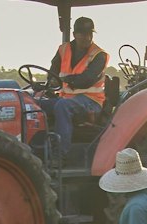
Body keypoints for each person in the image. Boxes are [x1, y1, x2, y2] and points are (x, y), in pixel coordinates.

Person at [40, 16, 108, 153]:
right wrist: (50, 83)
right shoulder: (63, 50)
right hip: (67, 98)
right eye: (83, 34)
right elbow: (53, 72)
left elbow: (86, 80)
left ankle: (60, 153)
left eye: (89, 34)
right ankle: (36, 146)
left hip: (91, 101)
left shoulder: (99, 55)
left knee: (62, 106)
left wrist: (65, 79)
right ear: (74, 34)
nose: (87, 37)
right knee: (34, 104)